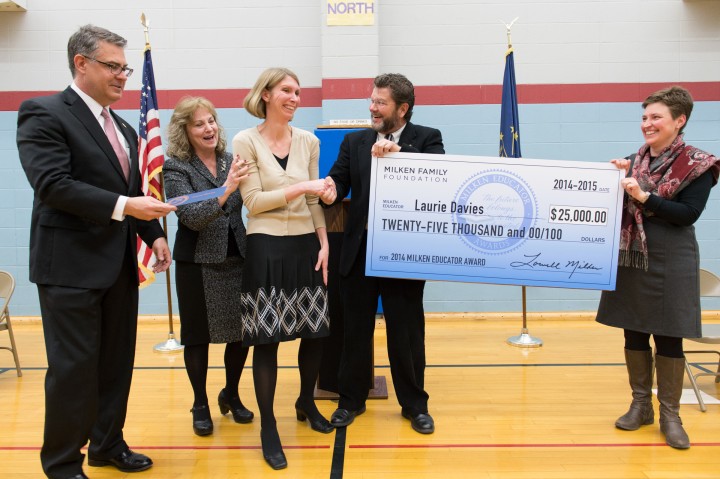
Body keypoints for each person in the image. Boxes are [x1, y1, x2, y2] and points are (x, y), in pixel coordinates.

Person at [16, 25, 176, 479]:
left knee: (114, 366)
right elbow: (53, 185)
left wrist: (154, 235)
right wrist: (129, 206)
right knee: (73, 372)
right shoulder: (43, 113)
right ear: (81, 64)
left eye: (125, 67)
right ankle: (63, 463)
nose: (123, 76)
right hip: (69, 268)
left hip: (118, 268)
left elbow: (130, 190)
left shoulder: (123, 126)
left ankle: (108, 444)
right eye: (112, 66)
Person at [596, 86, 719, 449]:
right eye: (644, 117)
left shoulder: (699, 163)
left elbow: (687, 215)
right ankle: (640, 405)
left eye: (655, 117)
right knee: (633, 331)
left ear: (679, 121)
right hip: (631, 256)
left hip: (672, 258)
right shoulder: (632, 162)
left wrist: (644, 197)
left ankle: (670, 414)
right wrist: (611, 183)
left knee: (668, 336)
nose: (646, 124)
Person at [321, 73, 445, 434]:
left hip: (404, 254)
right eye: (372, 101)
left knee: (406, 332)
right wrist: (328, 190)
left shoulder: (427, 139)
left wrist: (399, 154)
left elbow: (438, 175)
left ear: (402, 108)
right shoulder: (354, 141)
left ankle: (415, 405)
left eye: (380, 102)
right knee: (354, 330)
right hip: (359, 251)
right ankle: (351, 400)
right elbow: (338, 182)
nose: (372, 108)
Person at [232, 67, 333, 470]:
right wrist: (307, 187)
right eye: (287, 91)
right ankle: (269, 426)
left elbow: (313, 202)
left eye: (298, 92)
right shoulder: (245, 140)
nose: (294, 97)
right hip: (266, 246)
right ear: (267, 94)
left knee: (316, 333)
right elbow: (254, 202)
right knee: (266, 339)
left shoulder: (308, 140)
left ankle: (306, 400)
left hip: (307, 244)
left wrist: (324, 243)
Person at [163, 97, 255, 437]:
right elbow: (191, 217)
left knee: (241, 335)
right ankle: (200, 402)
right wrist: (227, 187)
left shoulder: (232, 159)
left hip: (237, 256)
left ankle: (230, 393)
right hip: (197, 261)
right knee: (198, 338)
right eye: (200, 124)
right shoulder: (175, 168)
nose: (209, 128)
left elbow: (254, 197)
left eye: (212, 121)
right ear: (185, 131)